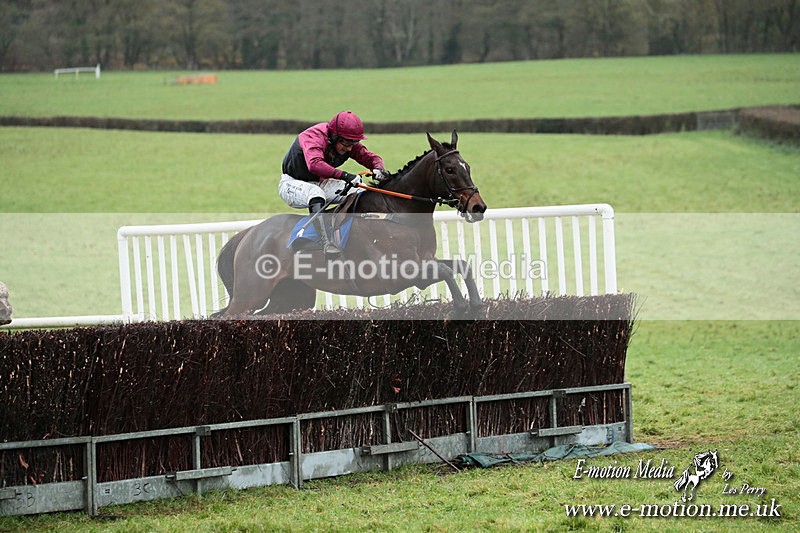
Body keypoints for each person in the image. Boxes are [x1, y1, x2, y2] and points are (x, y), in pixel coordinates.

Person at [279, 111, 386, 257]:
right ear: (334, 137)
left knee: (360, 192)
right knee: (315, 194)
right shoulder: (314, 137)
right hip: (293, 183)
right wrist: (346, 176)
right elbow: (314, 164)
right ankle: (326, 243)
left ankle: (357, 235)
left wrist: (378, 167)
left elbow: (369, 157)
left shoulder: (346, 141)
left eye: (353, 144)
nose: (349, 148)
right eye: (346, 144)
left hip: (321, 182)